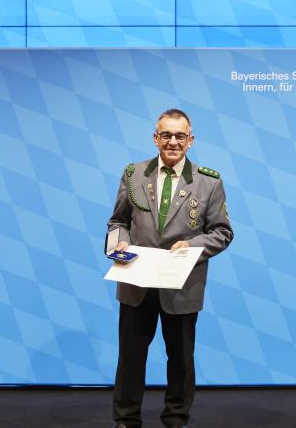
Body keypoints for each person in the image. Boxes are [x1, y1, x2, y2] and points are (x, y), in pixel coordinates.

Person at [108, 108, 234, 428]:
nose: (173, 142)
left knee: (180, 360)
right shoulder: (133, 174)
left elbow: (222, 232)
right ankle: (125, 420)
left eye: (180, 136)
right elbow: (118, 221)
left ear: (190, 140)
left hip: (182, 284)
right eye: (166, 135)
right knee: (131, 358)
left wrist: (192, 247)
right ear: (155, 138)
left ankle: (176, 418)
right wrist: (117, 244)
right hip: (136, 281)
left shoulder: (209, 182)